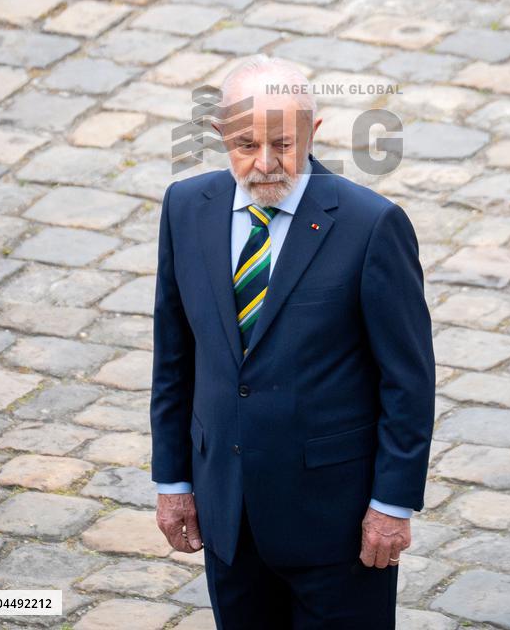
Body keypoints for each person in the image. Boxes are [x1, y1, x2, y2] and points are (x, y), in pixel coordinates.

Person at [151, 55, 435, 630]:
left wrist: (392, 504)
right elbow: (174, 357)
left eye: (283, 144)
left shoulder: (371, 226)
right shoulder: (185, 208)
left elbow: (407, 379)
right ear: (218, 135)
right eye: (245, 144)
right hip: (227, 514)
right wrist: (174, 482)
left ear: (313, 132)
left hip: (337, 525)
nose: (264, 163)